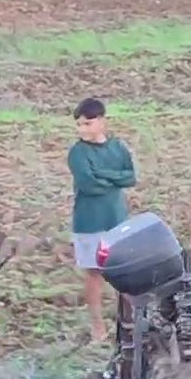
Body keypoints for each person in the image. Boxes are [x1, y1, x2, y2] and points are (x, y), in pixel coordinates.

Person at [66, 97, 137, 343]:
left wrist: (103, 174)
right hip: (89, 221)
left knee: (125, 273)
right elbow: (89, 184)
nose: (82, 130)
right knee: (94, 274)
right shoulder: (77, 152)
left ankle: (128, 323)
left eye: (87, 124)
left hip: (117, 219)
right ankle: (97, 326)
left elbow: (130, 177)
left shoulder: (118, 148)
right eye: (79, 125)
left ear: (102, 121)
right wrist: (114, 179)